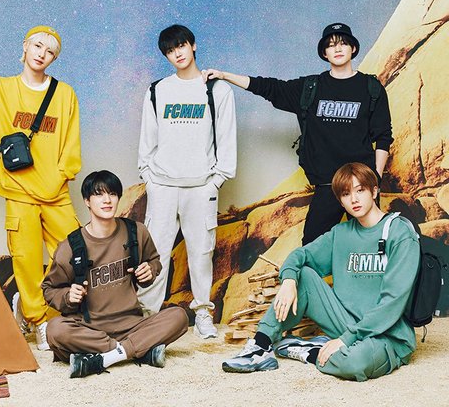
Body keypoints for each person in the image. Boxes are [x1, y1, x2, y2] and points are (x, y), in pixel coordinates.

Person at [222, 162, 420, 381]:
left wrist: (345, 339)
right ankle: (260, 347)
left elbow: (392, 302)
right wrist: (289, 280)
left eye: (360, 190)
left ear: (374, 191)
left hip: (387, 334)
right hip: (344, 322)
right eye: (346, 194)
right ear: (340, 201)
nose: (354, 199)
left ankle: (311, 351)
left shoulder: (400, 232)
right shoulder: (340, 233)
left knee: (354, 363)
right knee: (303, 275)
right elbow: (299, 256)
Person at [203, 23, 393, 245]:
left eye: (343, 43)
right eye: (331, 45)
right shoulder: (310, 87)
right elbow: (268, 87)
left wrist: (375, 178)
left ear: (353, 48)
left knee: (372, 246)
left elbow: (383, 136)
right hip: (326, 185)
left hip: (361, 184)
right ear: (324, 53)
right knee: (311, 249)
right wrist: (225, 75)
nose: (338, 48)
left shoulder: (371, 87)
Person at [0, 25, 81, 350]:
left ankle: (48, 309)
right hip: (18, 192)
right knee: (27, 259)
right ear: (25, 47)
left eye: (50, 51)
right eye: (37, 46)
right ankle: (39, 320)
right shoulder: (1, 90)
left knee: (76, 255)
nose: (42, 54)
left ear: (54, 58)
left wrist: (60, 176)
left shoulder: (65, 94)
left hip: (55, 193)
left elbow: (71, 147)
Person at [137, 24, 237, 338]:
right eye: (170, 50)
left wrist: (216, 181)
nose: (177, 53)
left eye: (181, 46)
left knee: (201, 252)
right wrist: (148, 177)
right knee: (155, 254)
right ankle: (146, 317)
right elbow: (147, 139)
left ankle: (203, 314)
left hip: (201, 186)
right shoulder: (157, 90)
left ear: (192, 45)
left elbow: (227, 139)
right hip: (163, 185)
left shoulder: (217, 90)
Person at [42, 170, 188, 378]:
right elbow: (49, 289)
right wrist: (67, 296)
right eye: (99, 194)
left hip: (132, 325)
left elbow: (154, 261)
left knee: (179, 316)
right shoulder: (71, 246)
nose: (107, 200)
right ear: (87, 201)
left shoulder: (136, 232)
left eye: (112, 194)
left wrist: (149, 270)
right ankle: (138, 351)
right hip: (89, 330)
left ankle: (104, 358)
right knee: (55, 329)